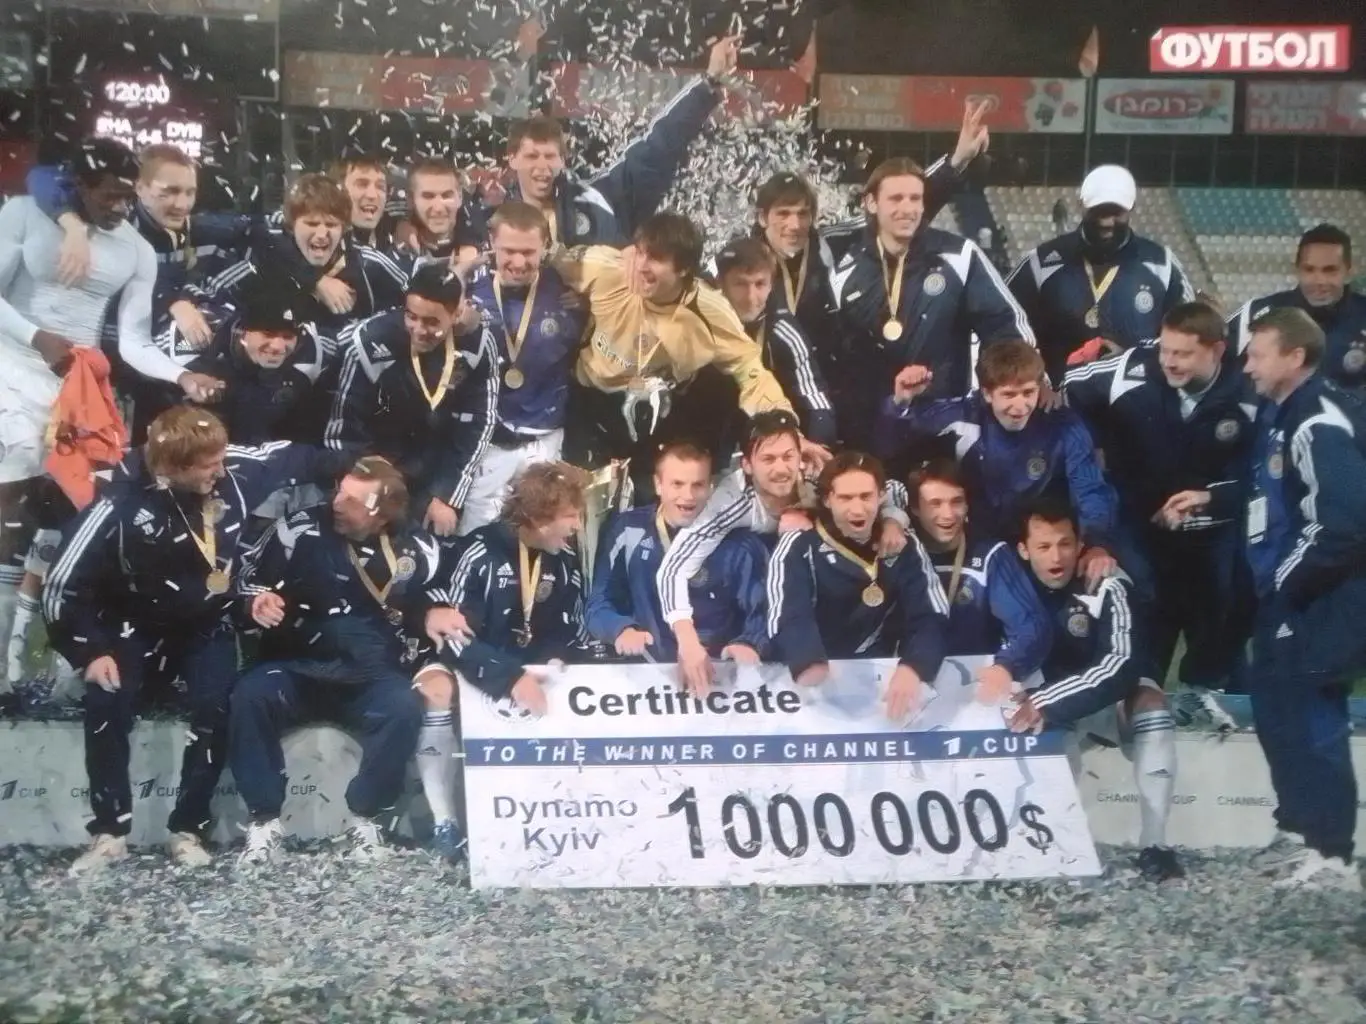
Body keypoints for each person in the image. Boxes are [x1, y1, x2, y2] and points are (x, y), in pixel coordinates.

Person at [41, 407, 343, 871]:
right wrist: (88, 651)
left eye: (220, 460)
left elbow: (294, 457)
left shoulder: (234, 469)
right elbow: (62, 583)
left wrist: (353, 467)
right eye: (207, 467)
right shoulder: (119, 501)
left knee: (216, 706)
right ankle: (109, 832)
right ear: (172, 469)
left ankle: (188, 827)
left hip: (207, 621)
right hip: (133, 622)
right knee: (107, 701)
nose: (220, 472)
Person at [0, 138, 221, 701]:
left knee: (76, 513)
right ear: (79, 186)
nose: (121, 207)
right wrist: (35, 336)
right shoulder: (23, 214)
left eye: (127, 197)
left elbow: (134, 341)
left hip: (79, 386)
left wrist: (180, 376)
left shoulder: (136, 250)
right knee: (13, 496)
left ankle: (41, 665)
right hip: (11, 363)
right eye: (111, 195)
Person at [1163, 308, 1366, 891]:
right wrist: (1213, 498)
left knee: (1314, 721)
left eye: (1257, 354)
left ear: (1294, 358)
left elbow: (1342, 525)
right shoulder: (1281, 413)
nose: (1246, 365)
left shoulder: (1318, 423)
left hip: (1319, 600)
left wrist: (1283, 581)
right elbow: (1267, 493)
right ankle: (1299, 830)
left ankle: (1333, 854)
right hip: (1282, 596)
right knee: (1278, 714)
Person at [231, 457, 463, 864]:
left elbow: (439, 592)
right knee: (249, 695)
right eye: (339, 491)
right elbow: (246, 576)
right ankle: (264, 821)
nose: (337, 503)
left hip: (370, 675)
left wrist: (435, 609)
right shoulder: (297, 530)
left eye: (352, 501)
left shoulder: (419, 547)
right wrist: (256, 601)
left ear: (382, 513)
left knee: (403, 707)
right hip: (298, 666)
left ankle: (366, 817)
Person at [1067, 302, 1253, 727]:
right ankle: (1139, 713)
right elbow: (1065, 386)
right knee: (1145, 618)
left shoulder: (1249, 390)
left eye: (1183, 354)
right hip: (1141, 528)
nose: (1169, 361)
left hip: (1215, 535)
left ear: (1217, 350)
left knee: (1223, 617)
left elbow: (1268, 474)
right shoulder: (1131, 368)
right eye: (1165, 349)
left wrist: (1213, 498)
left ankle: (1218, 708)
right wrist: (1092, 444)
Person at [552, 212, 825, 482]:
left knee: (653, 497)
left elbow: (750, 371)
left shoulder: (710, 311)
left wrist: (783, 428)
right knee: (581, 497)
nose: (641, 266)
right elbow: (547, 256)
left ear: (683, 268)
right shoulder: (607, 268)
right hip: (588, 405)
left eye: (656, 258)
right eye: (640, 253)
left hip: (655, 418)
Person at [656, 411, 908, 696]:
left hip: (824, 585)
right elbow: (673, 567)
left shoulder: (819, 474)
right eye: (768, 459)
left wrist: (892, 520)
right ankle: (751, 642)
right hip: (755, 581)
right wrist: (688, 642)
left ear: (801, 456)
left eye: (788, 457)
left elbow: (893, 489)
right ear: (747, 465)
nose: (781, 468)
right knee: (743, 545)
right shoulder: (729, 500)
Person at [751, 99, 991, 380]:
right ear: (762, 218)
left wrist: (956, 162)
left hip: (823, 386)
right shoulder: (740, 262)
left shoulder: (830, 244)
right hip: (760, 385)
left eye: (803, 214)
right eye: (783, 214)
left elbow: (895, 210)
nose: (794, 225)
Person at [1010, 496, 1183, 883]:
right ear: (1024, 550)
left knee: (1151, 702)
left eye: (1065, 544)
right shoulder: (1010, 584)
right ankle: (1044, 842)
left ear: (1081, 544)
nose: (1056, 556)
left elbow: (1121, 665)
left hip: (1096, 700)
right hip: (1042, 708)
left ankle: (1156, 845)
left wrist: (1046, 700)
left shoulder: (1108, 581)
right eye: (1043, 546)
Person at [830, 156, 1034, 450]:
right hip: (869, 426)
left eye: (915, 198)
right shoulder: (843, 269)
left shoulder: (959, 255)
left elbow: (1005, 326)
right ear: (871, 203)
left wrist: (1017, 384)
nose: (907, 209)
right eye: (896, 198)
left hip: (944, 421)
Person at [877, 339, 1119, 587]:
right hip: (977, 546)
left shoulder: (1063, 424)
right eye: (1009, 395)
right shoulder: (965, 415)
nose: (1020, 406)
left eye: (1028, 392)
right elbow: (892, 443)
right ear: (987, 394)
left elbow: (1090, 489)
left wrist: (1097, 544)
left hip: (1040, 546)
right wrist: (901, 401)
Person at [481, 35, 738, 247]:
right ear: (512, 159)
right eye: (531, 156)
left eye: (550, 156)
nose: (542, 166)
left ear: (563, 159)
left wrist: (709, 82)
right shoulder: (488, 224)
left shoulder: (600, 198)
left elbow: (657, 148)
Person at [767, 452, 949, 722]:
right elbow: (787, 612)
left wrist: (915, 666)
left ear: (881, 496)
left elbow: (932, 614)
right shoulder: (799, 544)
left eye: (866, 496)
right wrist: (808, 660)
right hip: (810, 682)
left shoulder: (904, 544)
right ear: (827, 500)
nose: (858, 508)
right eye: (846, 498)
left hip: (883, 680)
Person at [327, 263, 498, 540]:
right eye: (411, 316)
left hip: (435, 473)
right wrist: (366, 487)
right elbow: (343, 429)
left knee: (434, 540)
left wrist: (447, 495)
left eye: (431, 322)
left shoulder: (477, 346)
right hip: (376, 468)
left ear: (456, 314)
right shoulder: (371, 343)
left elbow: (478, 424)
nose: (418, 329)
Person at [458, 202, 586, 533]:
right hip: (490, 443)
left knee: (542, 534)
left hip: (545, 440)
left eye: (528, 252)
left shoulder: (568, 287)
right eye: (509, 251)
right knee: (476, 536)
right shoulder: (469, 287)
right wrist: (457, 280)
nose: (518, 262)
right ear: (492, 243)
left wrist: (585, 302)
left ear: (545, 245)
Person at [1007, 164, 1195, 386]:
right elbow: (1005, 326)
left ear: (1132, 207)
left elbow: (1189, 335)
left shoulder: (1161, 263)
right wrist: (1038, 378)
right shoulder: (1040, 262)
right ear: (1081, 206)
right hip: (1059, 397)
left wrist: (1134, 359)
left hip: (1137, 397)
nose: (1106, 222)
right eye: (1098, 211)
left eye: (1116, 212)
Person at [434, 462, 597, 715]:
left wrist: (557, 657)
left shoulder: (564, 559)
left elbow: (574, 629)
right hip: (485, 685)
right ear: (538, 518)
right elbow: (455, 639)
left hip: (543, 684)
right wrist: (511, 678)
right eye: (570, 516)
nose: (578, 526)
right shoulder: (478, 555)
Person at [586, 442, 770, 663]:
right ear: (658, 484)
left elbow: (763, 610)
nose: (688, 495)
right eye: (677, 484)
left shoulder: (739, 540)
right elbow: (599, 603)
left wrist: (749, 643)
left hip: (722, 675)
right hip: (650, 672)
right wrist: (621, 629)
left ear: (711, 487)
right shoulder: (627, 530)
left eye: (698, 485)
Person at [195, 173, 409, 337]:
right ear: (291, 227)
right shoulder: (258, 265)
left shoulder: (369, 264)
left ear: (344, 228)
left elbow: (417, 302)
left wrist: (369, 334)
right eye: (312, 224)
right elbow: (205, 305)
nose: (322, 234)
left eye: (331, 225)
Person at [907, 459, 1051, 702]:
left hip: (976, 685)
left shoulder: (990, 554)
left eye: (957, 502)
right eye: (935, 504)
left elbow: (1032, 624)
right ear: (915, 508)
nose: (948, 514)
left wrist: (1006, 666)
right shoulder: (901, 555)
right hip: (911, 683)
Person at [713, 236, 836, 446]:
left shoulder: (782, 329)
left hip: (768, 438)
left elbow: (815, 399)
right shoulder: (702, 323)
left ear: (771, 285)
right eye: (740, 284)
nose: (751, 297)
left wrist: (814, 445)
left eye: (760, 284)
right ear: (721, 284)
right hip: (708, 434)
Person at [1227, 224, 1366, 391]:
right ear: (1297, 271)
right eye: (1309, 270)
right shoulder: (1256, 313)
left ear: (1349, 272)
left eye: (1330, 271)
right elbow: (1216, 374)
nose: (1319, 281)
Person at [392, 158, 482, 269]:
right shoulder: (392, 254)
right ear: (410, 200)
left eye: (446, 195)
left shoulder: (487, 241)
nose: (438, 208)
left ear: (459, 197)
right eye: (428, 196)